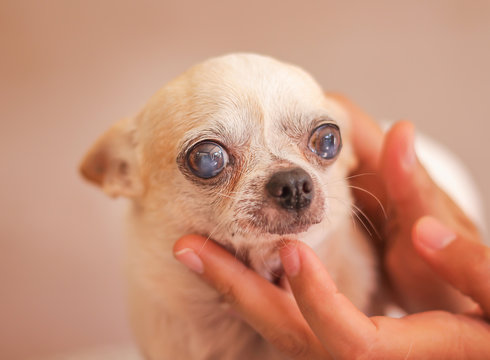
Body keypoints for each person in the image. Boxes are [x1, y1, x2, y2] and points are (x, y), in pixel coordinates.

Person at [173, 95, 490, 358]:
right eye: (208, 159)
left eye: (323, 142)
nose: (293, 183)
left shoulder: (439, 168)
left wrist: (460, 304)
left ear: (348, 153)